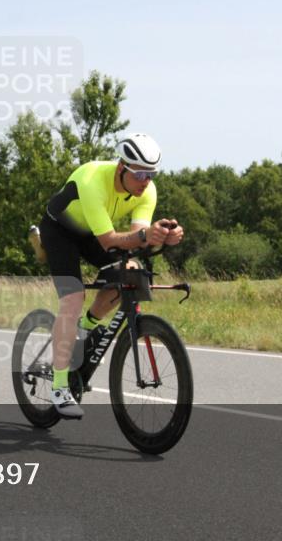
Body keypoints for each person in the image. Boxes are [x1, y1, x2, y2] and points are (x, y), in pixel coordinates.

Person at [39, 133, 185, 418]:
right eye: (140, 174)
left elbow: (137, 239)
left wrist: (162, 237)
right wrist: (145, 235)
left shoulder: (147, 191)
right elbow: (109, 241)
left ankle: (84, 330)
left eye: (151, 174)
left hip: (92, 233)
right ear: (121, 168)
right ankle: (59, 387)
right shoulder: (92, 180)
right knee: (73, 298)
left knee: (130, 273)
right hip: (60, 232)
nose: (146, 181)